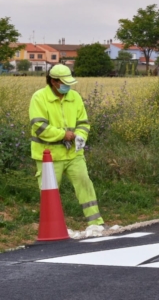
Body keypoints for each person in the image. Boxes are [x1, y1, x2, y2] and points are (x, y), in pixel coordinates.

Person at [29, 64, 106, 227]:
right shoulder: (39, 97)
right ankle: (52, 226)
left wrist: (81, 137)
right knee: (49, 192)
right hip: (48, 155)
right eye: (64, 83)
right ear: (53, 81)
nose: (67, 86)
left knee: (84, 182)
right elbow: (39, 126)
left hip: (73, 153)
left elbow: (83, 123)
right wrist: (63, 134)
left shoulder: (75, 97)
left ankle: (96, 222)